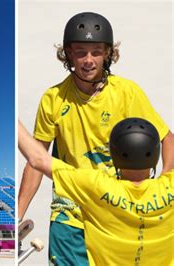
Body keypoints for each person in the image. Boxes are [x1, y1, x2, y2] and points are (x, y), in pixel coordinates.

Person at [17, 12, 174, 265]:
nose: (88, 61)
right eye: (80, 52)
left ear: (108, 53)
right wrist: (18, 216)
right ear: (68, 53)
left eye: (96, 52)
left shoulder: (127, 92)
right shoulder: (53, 99)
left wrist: (163, 186)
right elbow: (37, 159)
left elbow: (168, 139)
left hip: (112, 210)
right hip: (69, 213)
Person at [18, 118, 173, 265]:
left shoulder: (96, 186)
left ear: (115, 154)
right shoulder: (170, 187)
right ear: (155, 153)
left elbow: (38, 159)